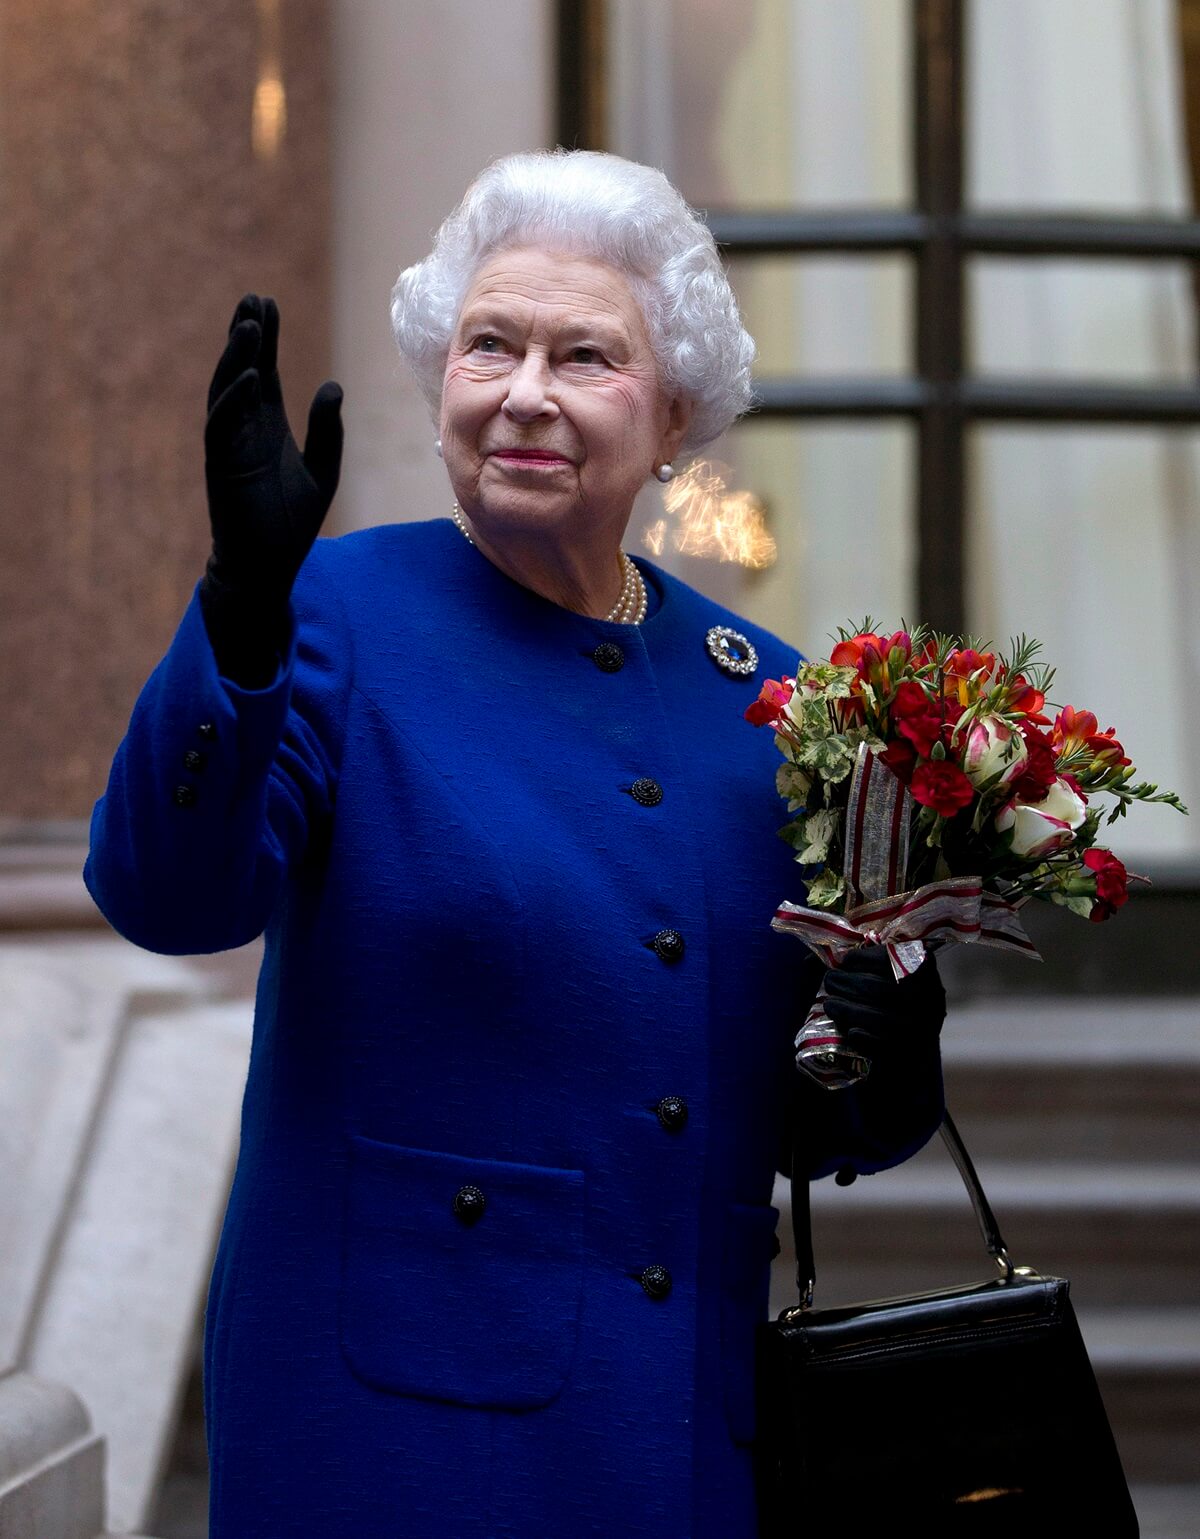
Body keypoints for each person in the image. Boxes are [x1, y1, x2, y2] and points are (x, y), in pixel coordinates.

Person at [84, 149, 946, 1539]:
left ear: (671, 418)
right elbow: (169, 898)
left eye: (583, 356)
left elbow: (825, 1113)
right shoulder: (338, 614)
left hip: (684, 1445)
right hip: (395, 1448)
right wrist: (240, 610)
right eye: (490, 344)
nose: (525, 393)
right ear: (441, 382)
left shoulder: (770, 699)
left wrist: (889, 1039)